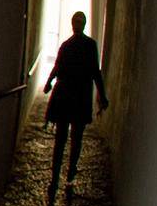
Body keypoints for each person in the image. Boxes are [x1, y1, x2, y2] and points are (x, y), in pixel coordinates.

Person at [43, 10, 108, 194]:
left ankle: (59, 177)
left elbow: (59, 67)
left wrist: (49, 82)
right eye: (76, 21)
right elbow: (94, 71)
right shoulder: (88, 45)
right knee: (70, 138)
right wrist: (49, 82)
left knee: (65, 139)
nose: (77, 24)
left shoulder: (67, 45)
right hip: (78, 96)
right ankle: (65, 173)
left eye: (78, 21)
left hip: (68, 96)